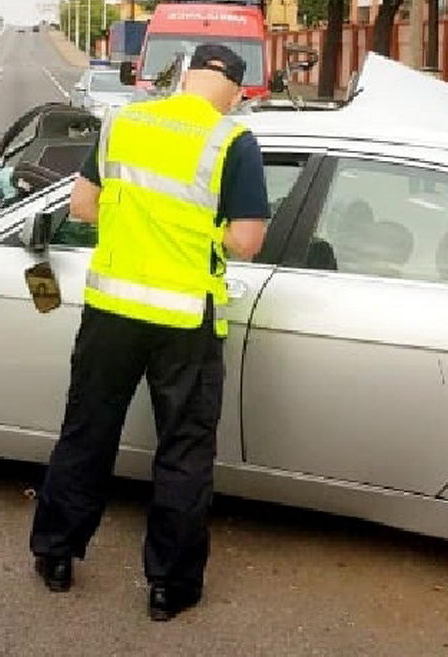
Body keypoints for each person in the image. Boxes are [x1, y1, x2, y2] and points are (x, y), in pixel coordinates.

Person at [29, 44, 270, 622]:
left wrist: (138, 218)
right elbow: (246, 242)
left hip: (110, 311)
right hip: (184, 320)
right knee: (183, 452)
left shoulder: (124, 121)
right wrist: (200, 231)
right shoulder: (233, 141)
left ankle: (56, 556)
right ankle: (170, 588)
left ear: (184, 79)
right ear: (235, 92)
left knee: (86, 431)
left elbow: (83, 206)